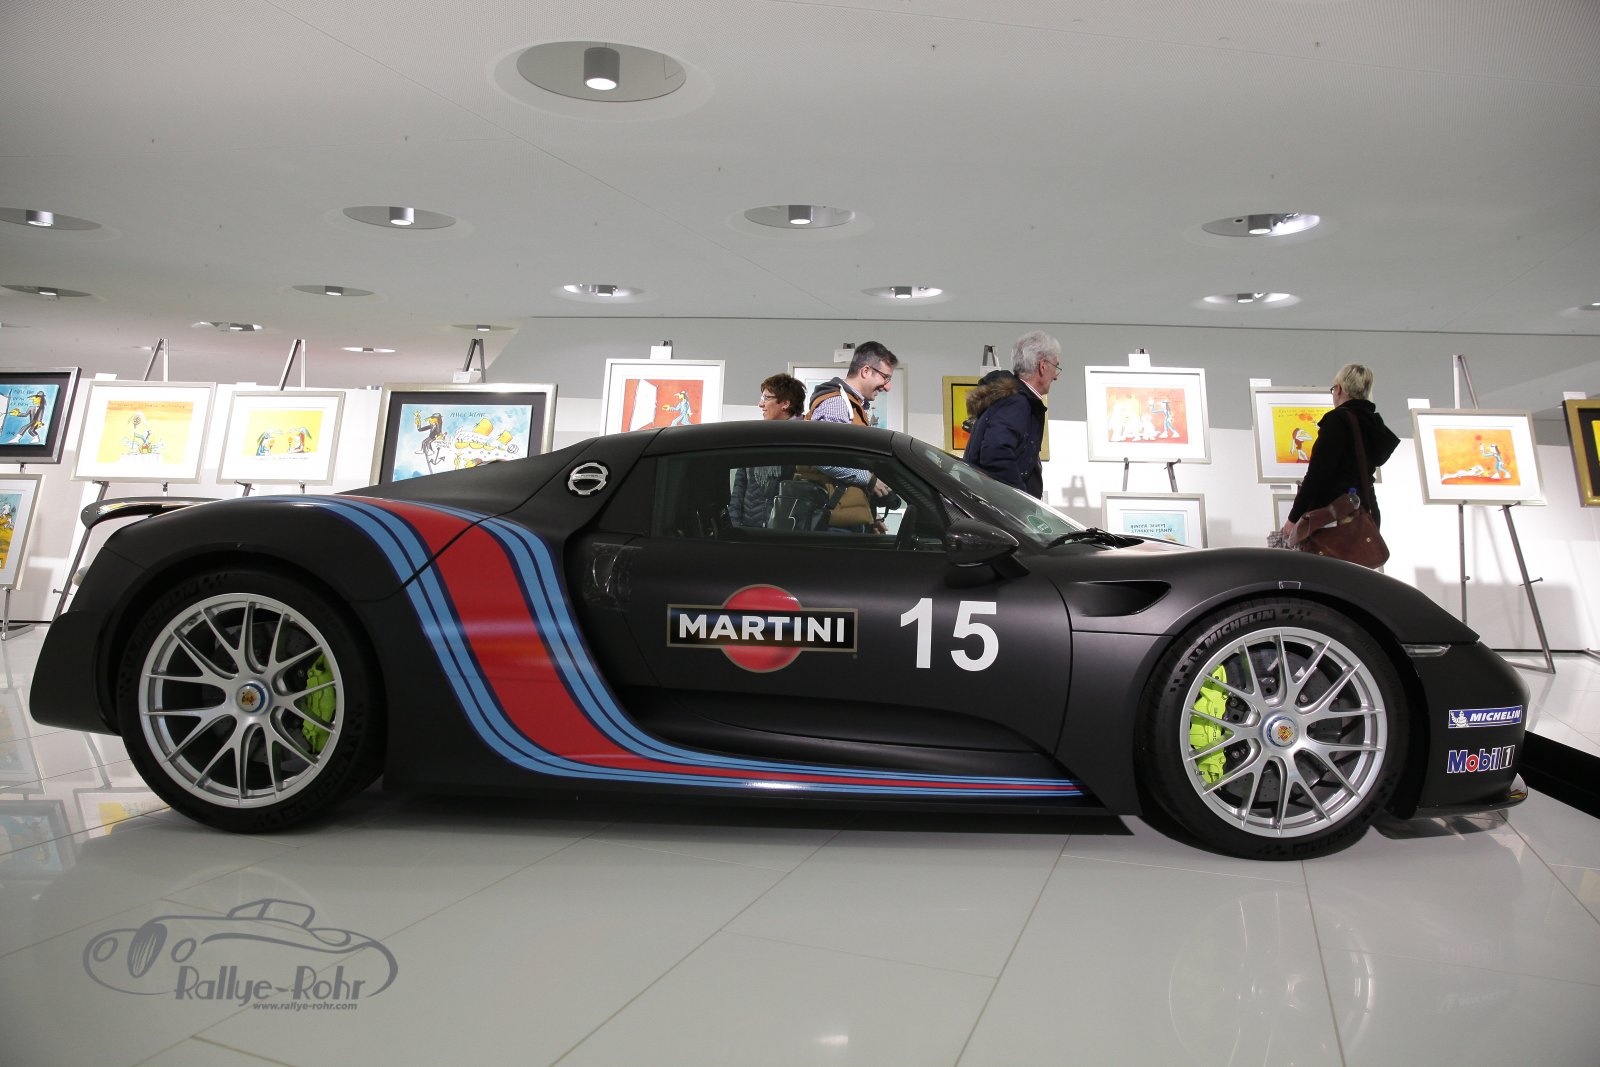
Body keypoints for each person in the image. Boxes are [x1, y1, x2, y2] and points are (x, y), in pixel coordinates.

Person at [1281, 363, 1400, 541]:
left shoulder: (1338, 421)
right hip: (1364, 512)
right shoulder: (1374, 424)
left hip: (1333, 516)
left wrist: (1293, 518)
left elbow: (1317, 474)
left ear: (1339, 389)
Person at [962, 330, 1059, 498]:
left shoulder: (1011, 400)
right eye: (1056, 366)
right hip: (1002, 507)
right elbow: (996, 454)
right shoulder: (1016, 403)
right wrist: (1020, 501)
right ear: (1043, 365)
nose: (1056, 377)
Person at [728, 373, 804, 528]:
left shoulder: (804, 439)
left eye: (767, 398)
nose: (760, 404)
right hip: (749, 530)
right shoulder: (755, 438)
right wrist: (734, 524)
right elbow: (740, 485)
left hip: (789, 530)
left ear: (785, 403)